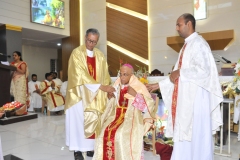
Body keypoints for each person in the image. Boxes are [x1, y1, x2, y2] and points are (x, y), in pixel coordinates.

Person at [146, 13, 223, 160]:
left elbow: (203, 71)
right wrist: (157, 85)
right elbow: (174, 77)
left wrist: (180, 72)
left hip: (196, 101)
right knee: (186, 136)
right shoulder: (186, 46)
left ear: (189, 24)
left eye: (179, 24)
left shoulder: (199, 44)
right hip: (186, 102)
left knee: (196, 136)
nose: (176, 28)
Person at [65, 28, 115, 160]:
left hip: (96, 95)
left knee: (95, 119)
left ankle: (89, 149)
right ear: (85, 38)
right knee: (78, 122)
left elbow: (105, 74)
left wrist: (107, 89)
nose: (91, 44)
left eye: (94, 42)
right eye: (89, 41)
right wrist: (101, 86)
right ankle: (77, 150)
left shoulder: (100, 55)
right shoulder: (76, 53)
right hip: (79, 94)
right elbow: (79, 75)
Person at [93, 64, 156, 160]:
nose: (122, 77)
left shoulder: (138, 86)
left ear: (132, 75)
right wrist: (110, 97)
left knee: (120, 134)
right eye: (120, 74)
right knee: (102, 132)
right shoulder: (117, 85)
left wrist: (135, 95)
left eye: (125, 74)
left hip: (131, 118)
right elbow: (111, 104)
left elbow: (147, 108)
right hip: (114, 117)